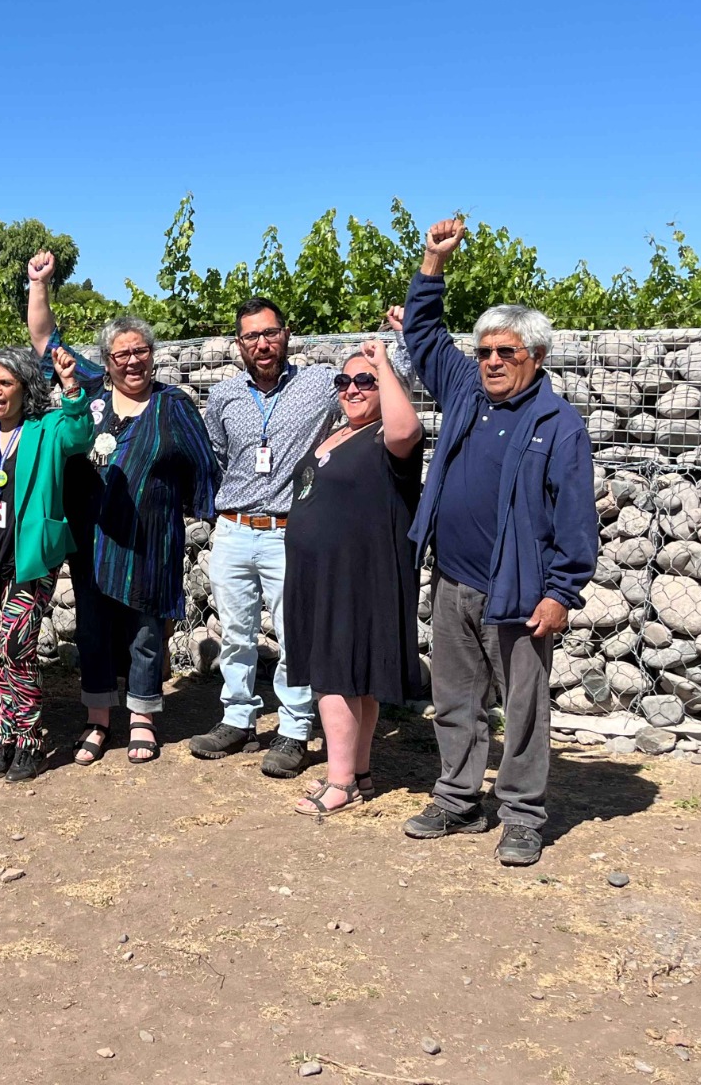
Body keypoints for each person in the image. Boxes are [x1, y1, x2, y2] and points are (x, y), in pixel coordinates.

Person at [395, 217, 597, 866]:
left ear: (535, 358)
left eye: (506, 352)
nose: (491, 362)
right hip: (452, 578)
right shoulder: (464, 390)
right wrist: (433, 261)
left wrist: (563, 592)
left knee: (524, 708)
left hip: (520, 591)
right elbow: (422, 333)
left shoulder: (559, 424)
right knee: (454, 700)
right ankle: (458, 799)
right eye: (484, 351)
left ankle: (522, 815)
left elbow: (576, 520)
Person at [25, 252, 219, 765]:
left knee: (145, 632)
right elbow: (45, 340)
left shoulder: (173, 404)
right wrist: (39, 283)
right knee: (92, 628)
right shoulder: (89, 389)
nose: (132, 361)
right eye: (121, 354)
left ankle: (142, 718)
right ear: (106, 361)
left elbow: (203, 465)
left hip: (150, 540)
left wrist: (205, 514)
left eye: (140, 352)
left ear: (152, 356)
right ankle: (97, 720)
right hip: (93, 538)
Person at [192, 299, 356, 776]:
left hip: (289, 531)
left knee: (295, 634)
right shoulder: (224, 396)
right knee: (235, 634)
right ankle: (237, 719)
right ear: (238, 344)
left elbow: (369, 398)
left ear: (286, 334)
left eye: (270, 333)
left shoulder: (320, 384)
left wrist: (404, 337)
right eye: (251, 336)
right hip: (234, 529)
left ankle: (294, 729)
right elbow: (219, 456)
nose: (262, 344)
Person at [283, 340, 424, 816]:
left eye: (366, 381)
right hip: (320, 573)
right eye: (344, 381)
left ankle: (340, 782)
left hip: (355, 575)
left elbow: (408, 428)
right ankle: (358, 772)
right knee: (354, 677)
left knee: (336, 675)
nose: (353, 388)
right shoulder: (340, 432)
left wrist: (383, 362)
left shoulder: (389, 436)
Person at [0, 345, 93, 782]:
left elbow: (81, 434)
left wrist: (71, 386)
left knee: (15, 646)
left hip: (31, 559)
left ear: (25, 389)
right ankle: (6, 736)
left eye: (5, 383)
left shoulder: (46, 429)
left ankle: (29, 739)